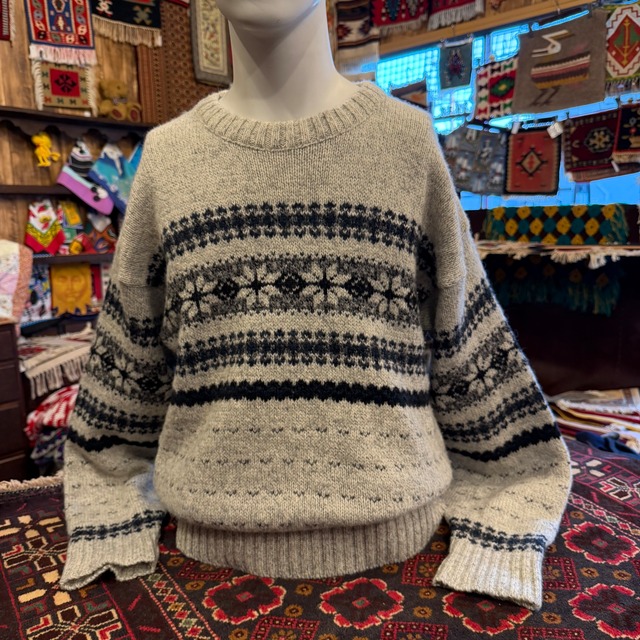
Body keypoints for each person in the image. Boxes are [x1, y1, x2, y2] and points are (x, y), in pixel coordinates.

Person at [60, 0, 572, 611]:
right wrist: (109, 525)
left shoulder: (407, 143)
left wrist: (501, 534)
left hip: (405, 554)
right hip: (202, 559)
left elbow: (467, 345)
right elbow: (127, 374)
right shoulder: (167, 159)